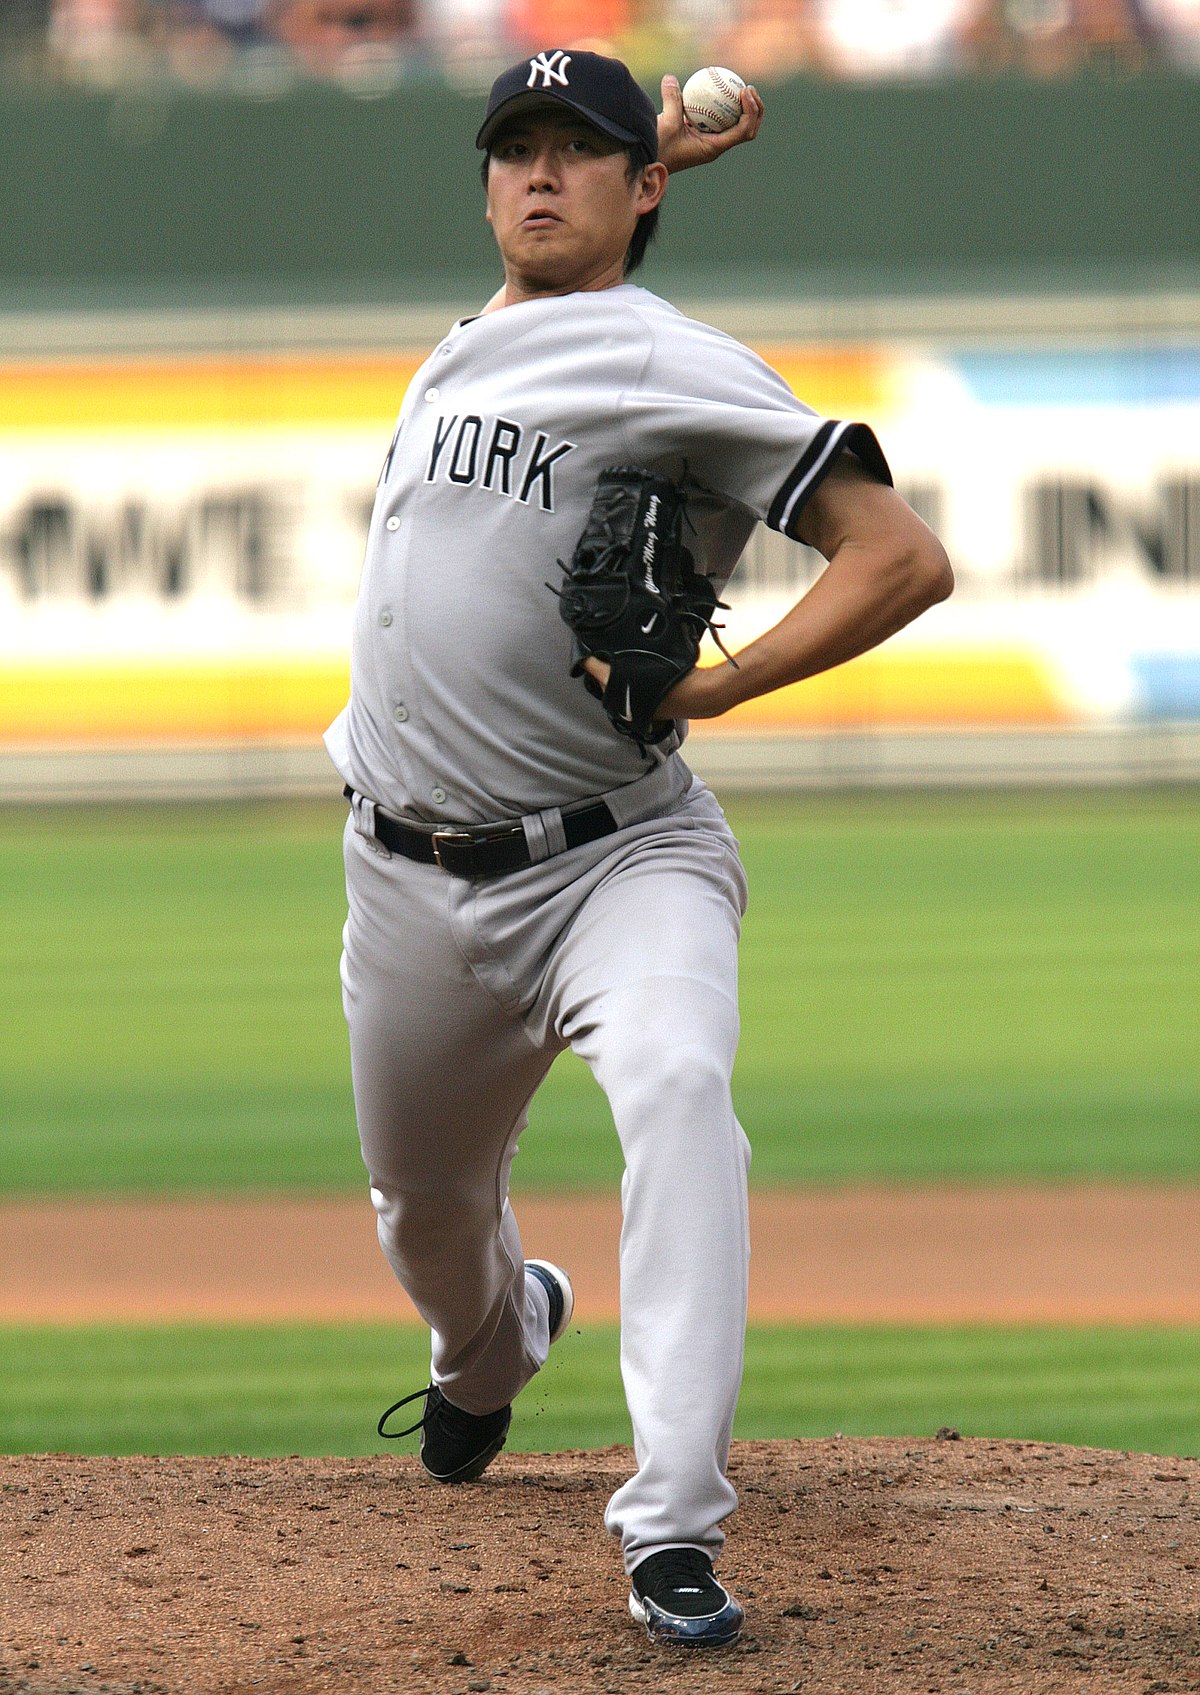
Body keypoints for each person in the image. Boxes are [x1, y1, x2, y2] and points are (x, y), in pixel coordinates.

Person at [324, 48, 952, 1649]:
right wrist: (621, 147)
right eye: (512, 152)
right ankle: (493, 1352)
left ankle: (672, 1521)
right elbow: (557, 261)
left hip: (621, 862)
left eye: (573, 156)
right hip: (401, 875)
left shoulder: (676, 364)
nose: (538, 175)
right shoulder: (485, 333)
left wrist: (716, 684)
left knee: (678, 1093)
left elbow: (901, 557)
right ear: (483, 186)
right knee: (424, 1212)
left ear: (643, 189)